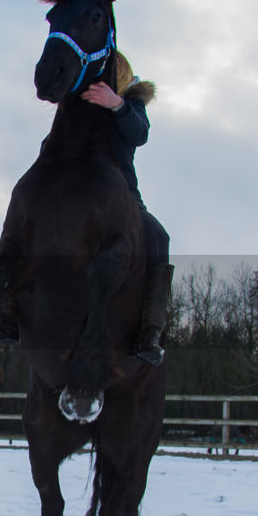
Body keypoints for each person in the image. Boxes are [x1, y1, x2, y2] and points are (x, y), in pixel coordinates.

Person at [81, 51, 172, 366]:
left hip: (124, 196)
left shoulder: (132, 105)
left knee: (159, 238)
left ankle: (150, 329)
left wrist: (116, 104)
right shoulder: (80, 105)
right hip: (80, 194)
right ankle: (5, 311)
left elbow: (139, 134)